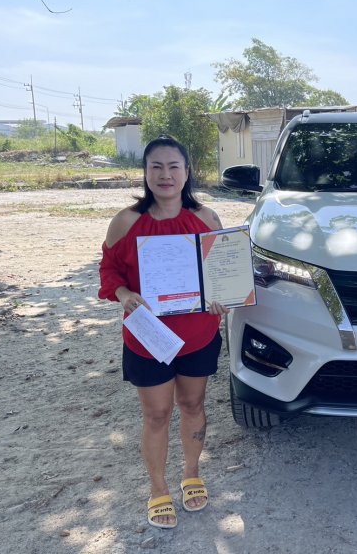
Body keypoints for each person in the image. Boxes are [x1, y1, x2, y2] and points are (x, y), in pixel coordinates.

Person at [98, 135, 228, 529]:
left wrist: (223, 295)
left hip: (198, 334)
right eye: (156, 167)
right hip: (148, 337)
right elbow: (109, 272)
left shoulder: (206, 219)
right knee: (156, 415)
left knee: (192, 406)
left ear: (187, 173)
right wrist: (123, 294)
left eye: (174, 166)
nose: (166, 175)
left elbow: (223, 271)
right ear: (146, 173)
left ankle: (191, 472)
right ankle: (158, 489)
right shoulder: (126, 221)